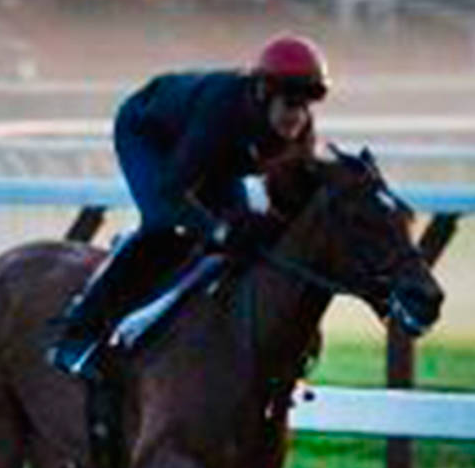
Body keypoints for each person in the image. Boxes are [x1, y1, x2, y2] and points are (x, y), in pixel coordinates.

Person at [48, 33, 330, 378]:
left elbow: (294, 202)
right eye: (289, 103)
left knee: (241, 243)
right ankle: (77, 332)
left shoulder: (299, 132)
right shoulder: (220, 110)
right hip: (148, 133)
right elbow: (173, 191)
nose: (297, 117)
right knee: (165, 224)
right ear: (263, 92)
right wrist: (217, 228)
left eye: (305, 106)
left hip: (211, 154)